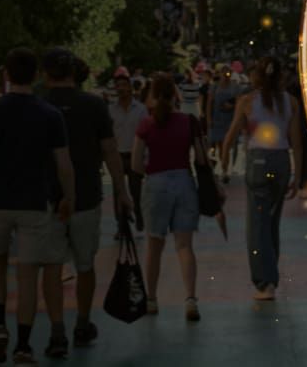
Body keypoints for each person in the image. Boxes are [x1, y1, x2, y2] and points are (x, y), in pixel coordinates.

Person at [0, 48, 76, 364]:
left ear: (6, 74)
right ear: (37, 75)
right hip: (34, 202)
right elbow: (64, 165)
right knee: (27, 275)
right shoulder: (50, 115)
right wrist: (68, 197)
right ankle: (23, 344)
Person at [41, 50, 133, 348]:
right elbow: (110, 151)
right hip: (87, 195)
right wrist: (122, 191)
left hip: (46, 198)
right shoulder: (94, 105)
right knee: (85, 265)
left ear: (46, 74)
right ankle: (82, 322)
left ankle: (57, 330)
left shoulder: (39, 105)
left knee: (52, 266)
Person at [221, 56, 299, 300]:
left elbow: (230, 137)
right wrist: (298, 175)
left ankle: (264, 282)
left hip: (258, 161)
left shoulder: (247, 101)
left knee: (257, 225)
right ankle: (271, 273)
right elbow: (296, 141)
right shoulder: (291, 102)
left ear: (257, 76)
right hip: (281, 162)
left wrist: (224, 164)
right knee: (272, 221)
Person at [132, 73, 204, 322]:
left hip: (156, 184)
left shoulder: (146, 124)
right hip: (184, 182)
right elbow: (201, 159)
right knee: (184, 246)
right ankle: (190, 299)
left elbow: (136, 164)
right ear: (175, 95)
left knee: (154, 246)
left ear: (152, 96)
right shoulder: (189, 122)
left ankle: (151, 299)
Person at [109, 70, 148, 230]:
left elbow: (146, 134)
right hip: (117, 155)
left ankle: (139, 216)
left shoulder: (140, 109)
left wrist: (145, 156)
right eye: (118, 86)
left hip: (134, 155)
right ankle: (121, 224)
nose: (121, 89)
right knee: (118, 191)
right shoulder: (111, 110)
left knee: (136, 190)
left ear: (131, 88)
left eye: (124, 85)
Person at [206, 65, 242, 184]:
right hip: (217, 119)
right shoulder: (214, 86)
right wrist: (209, 119)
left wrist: (233, 108)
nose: (226, 75)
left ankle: (226, 168)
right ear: (220, 74)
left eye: (228, 73)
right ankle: (222, 168)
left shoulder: (235, 86)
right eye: (224, 73)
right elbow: (209, 103)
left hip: (230, 119)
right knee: (219, 145)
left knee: (229, 145)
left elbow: (239, 102)